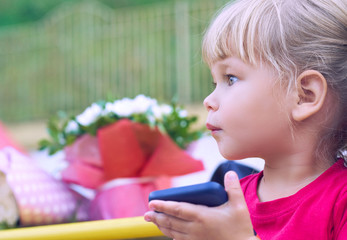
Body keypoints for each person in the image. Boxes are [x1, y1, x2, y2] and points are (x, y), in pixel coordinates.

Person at [144, 0, 347, 239]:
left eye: (230, 78)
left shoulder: (340, 203)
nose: (209, 100)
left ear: (304, 96)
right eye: (214, 82)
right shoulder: (228, 201)